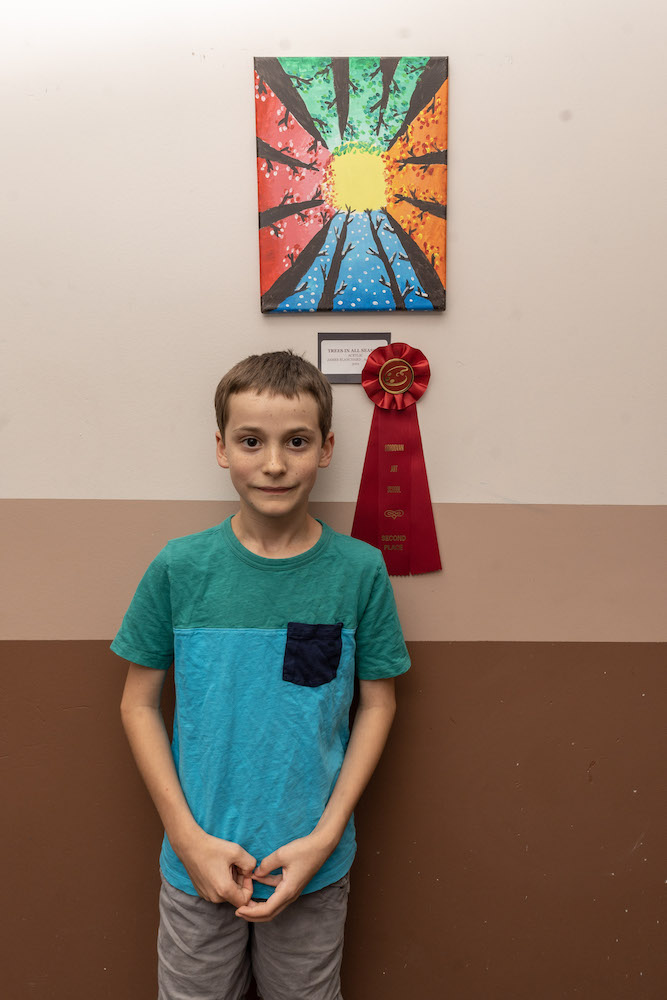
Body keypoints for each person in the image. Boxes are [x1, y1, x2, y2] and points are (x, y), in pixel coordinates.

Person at [112, 350, 410, 1000]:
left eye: (296, 441)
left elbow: (378, 704)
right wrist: (186, 838)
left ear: (326, 448)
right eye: (251, 441)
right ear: (221, 448)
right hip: (196, 867)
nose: (274, 463)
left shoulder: (358, 571)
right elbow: (137, 704)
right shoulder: (179, 568)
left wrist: (323, 838)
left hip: (313, 868)